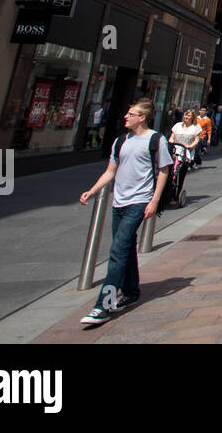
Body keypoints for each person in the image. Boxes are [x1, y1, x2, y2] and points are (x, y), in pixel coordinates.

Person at [78, 98, 172, 324]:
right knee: (126, 247)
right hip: (118, 202)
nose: (125, 117)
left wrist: (154, 201)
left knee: (117, 250)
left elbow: (164, 171)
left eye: (131, 114)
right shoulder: (121, 141)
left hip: (139, 202)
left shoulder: (156, 140)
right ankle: (131, 291)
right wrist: (92, 191)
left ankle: (104, 304)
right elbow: (111, 171)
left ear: (142, 117)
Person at [167, 109, 203, 195]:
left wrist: (190, 146)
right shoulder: (177, 125)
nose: (186, 117)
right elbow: (172, 137)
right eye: (186, 115)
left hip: (186, 152)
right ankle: (169, 192)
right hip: (175, 151)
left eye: (189, 115)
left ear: (193, 117)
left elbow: (196, 140)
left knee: (181, 174)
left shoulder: (196, 127)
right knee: (172, 172)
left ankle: (177, 194)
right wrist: (171, 142)